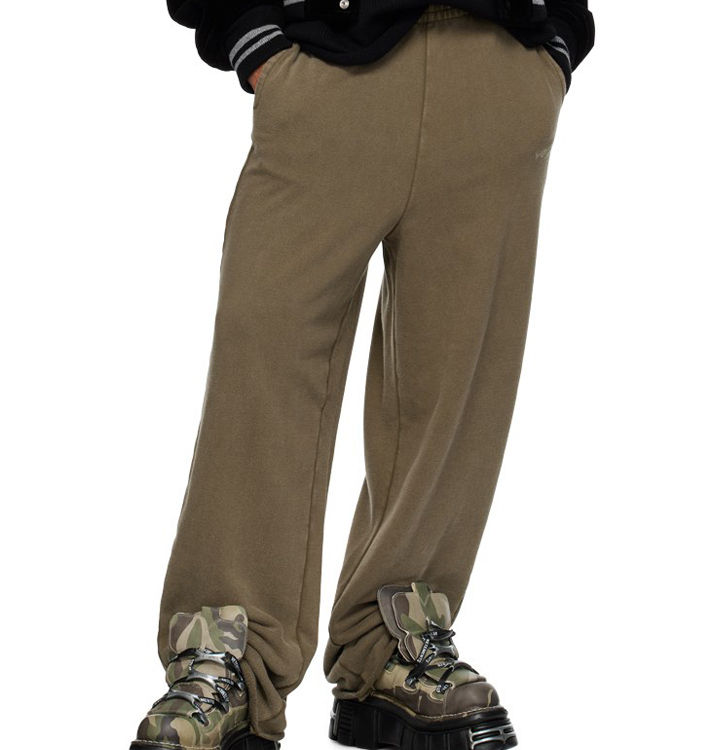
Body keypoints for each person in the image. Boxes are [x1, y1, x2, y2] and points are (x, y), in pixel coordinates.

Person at [130, 2, 595, 749]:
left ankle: (396, 641)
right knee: (264, 358)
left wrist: (555, 44)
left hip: (500, 59)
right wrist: (249, 33)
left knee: (454, 381)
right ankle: (229, 655)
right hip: (323, 60)